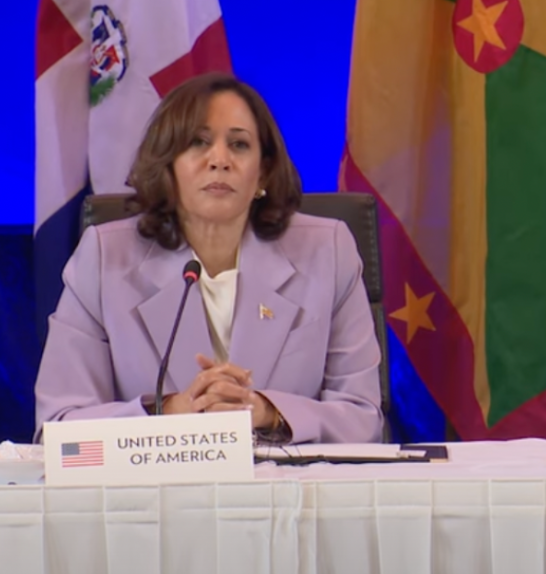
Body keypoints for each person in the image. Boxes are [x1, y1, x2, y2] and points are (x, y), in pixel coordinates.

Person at [35, 73, 383, 444]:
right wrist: (171, 412)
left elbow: (363, 420)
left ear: (262, 171)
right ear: (168, 165)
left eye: (239, 144)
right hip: (157, 496)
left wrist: (266, 412)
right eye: (198, 142)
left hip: (290, 495)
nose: (220, 159)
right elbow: (60, 427)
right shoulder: (104, 259)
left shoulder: (327, 251)